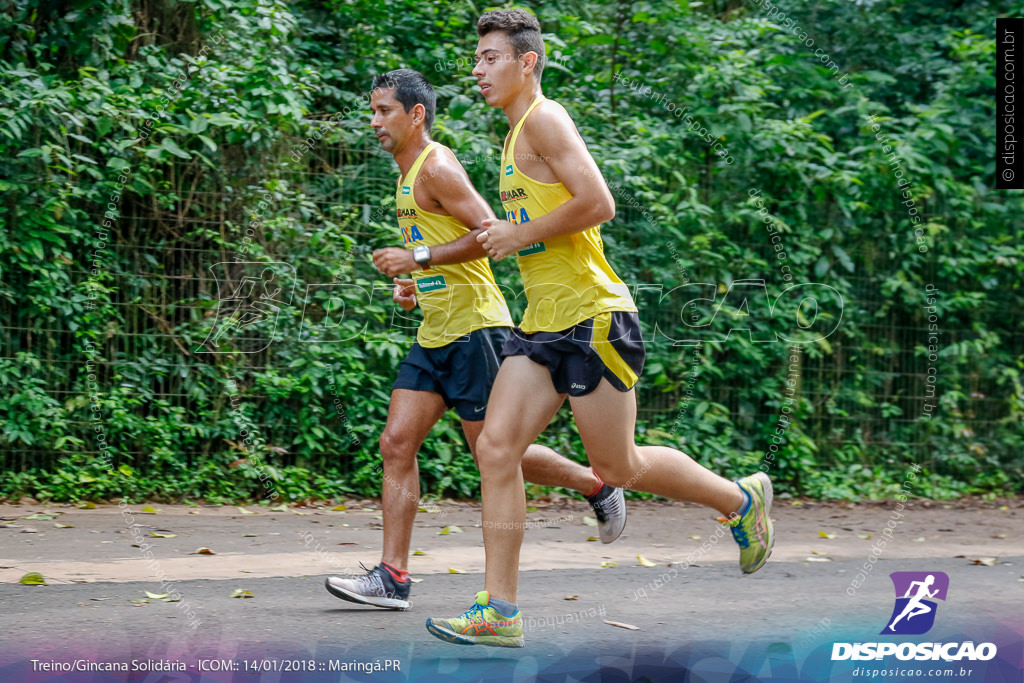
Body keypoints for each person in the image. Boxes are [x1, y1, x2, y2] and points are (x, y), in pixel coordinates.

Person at [425, 10, 774, 648]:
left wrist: (519, 233)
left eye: (490, 57)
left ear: (527, 62)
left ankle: (739, 502)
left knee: (619, 463)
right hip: (541, 325)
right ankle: (499, 611)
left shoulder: (545, 119)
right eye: (476, 59)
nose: (477, 70)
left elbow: (600, 203)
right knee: (495, 450)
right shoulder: (511, 136)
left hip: (593, 318)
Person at [324, 69, 627, 611]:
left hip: (476, 330)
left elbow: (488, 231)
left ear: (416, 115)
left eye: (384, 111)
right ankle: (393, 576)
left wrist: (418, 257)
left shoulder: (436, 166)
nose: (374, 122)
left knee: (493, 450)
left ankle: (597, 485)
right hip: (435, 329)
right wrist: (418, 285)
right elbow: (443, 247)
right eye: (372, 111)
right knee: (396, 443)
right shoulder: (405, 174)